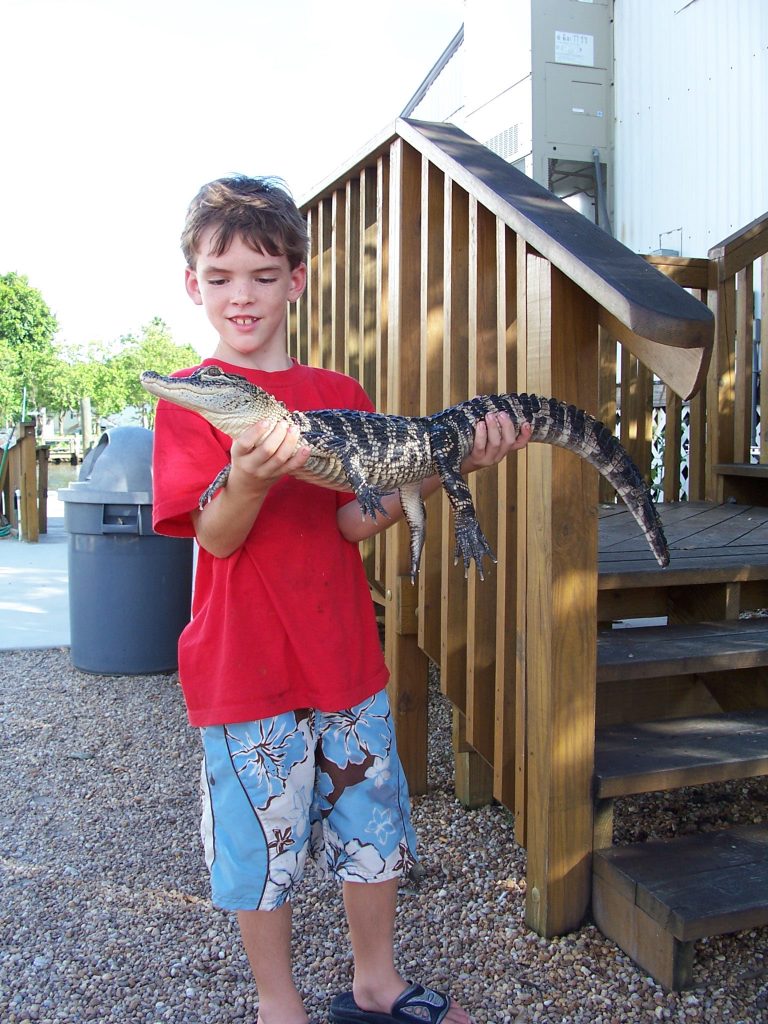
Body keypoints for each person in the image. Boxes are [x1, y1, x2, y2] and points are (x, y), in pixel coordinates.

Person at [150, 174, 531, 1024]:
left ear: (298, 279)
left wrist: (453, 464)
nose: (240, 296)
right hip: (243, 671)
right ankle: (277, 1005)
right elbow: (214, 535)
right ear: (193, 286)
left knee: (374, 831)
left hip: (345, 658)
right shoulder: (190, 400)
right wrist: (248, 469)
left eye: (261, 273)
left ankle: (376, 983)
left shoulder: (341, 395)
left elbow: (358, 520)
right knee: (261, 848)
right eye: (220, 278)